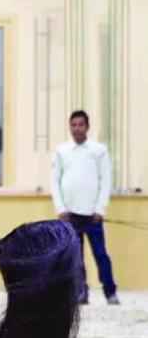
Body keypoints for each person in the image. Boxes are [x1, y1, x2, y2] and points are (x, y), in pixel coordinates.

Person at [52, 110, 120, 305]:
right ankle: (81, 293)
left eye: (80, 125)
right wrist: (60, 208)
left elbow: (105, 180)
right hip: (69, 214)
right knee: (75, 257)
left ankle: (110, 292)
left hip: (92, 215)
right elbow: (55, 181)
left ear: (87, 127)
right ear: (69, 127)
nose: (77, 128)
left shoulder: (98, 150)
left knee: (100, 254)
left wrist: (100, 209)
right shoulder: (62, 151)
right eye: (73, 125)